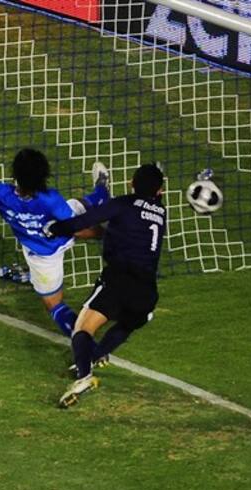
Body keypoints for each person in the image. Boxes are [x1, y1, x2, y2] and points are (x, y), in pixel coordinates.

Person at [0, 110, 109, 336]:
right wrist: (106, 234)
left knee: (54, 305)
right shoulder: (51, 199)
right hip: (61, 236)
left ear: (15, 175)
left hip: (44, 259)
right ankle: (102, 194)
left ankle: (85, 343)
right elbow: (78, 228)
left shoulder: (1, 194)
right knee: (76, 207)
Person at [43, 163, 166, 408]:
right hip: (147, 290)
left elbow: (84, 221)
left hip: (118, 280)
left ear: (132, 184)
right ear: (159, 191)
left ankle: (84, 377)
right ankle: (95, 356)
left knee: (82, 329)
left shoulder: (124, 203)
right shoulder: (161, 212)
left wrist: (54, 229)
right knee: (128, 322)